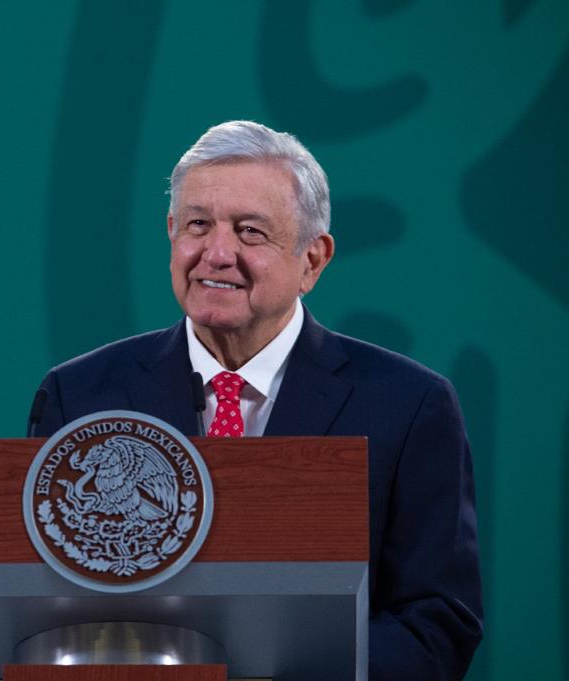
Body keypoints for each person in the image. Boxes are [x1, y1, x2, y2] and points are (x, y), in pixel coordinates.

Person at [32, 120, 483, 680]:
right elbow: (44, 606)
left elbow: (436, 622)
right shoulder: (79, 395)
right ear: (171, 233)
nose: (217, 253)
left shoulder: (410, 405)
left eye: (250, 232)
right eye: (198, 225)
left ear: (312, 260)